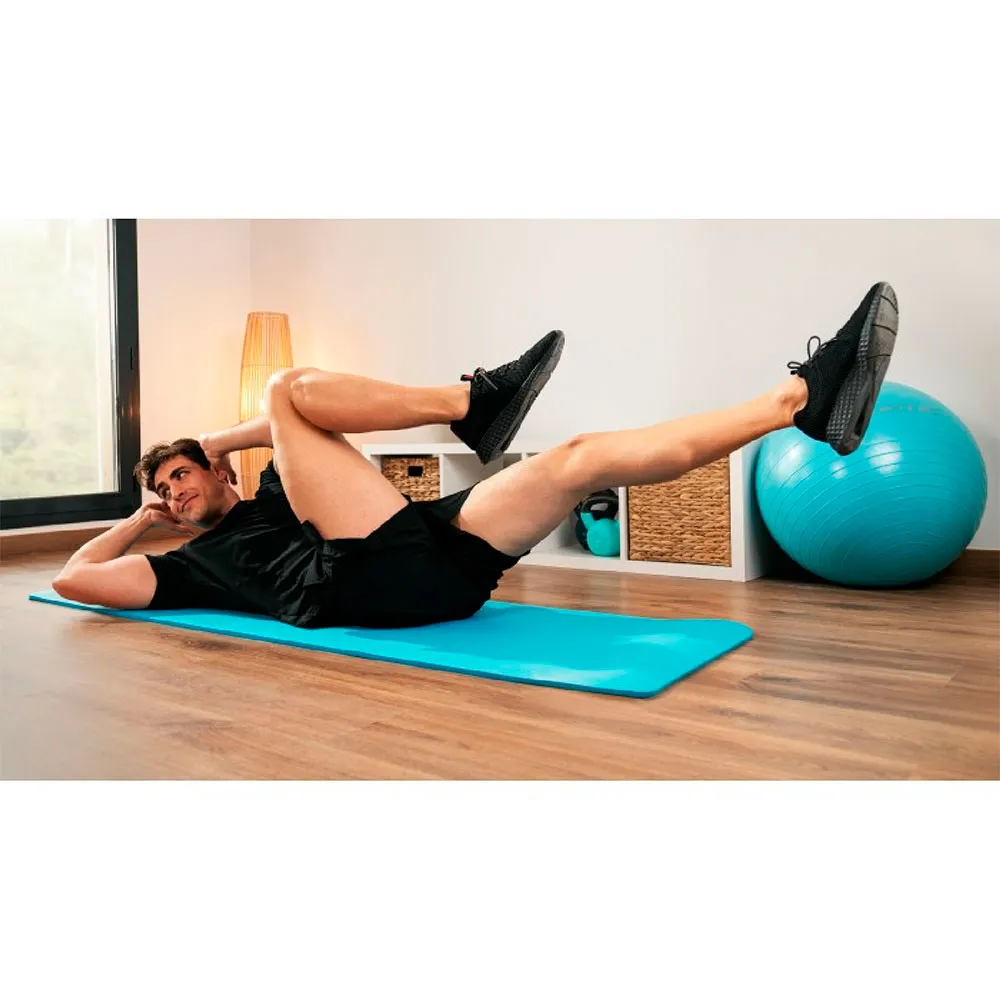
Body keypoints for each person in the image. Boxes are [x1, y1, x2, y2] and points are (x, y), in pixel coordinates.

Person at [52, 282, 898, 628]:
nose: (174, 492)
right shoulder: (189, 566)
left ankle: (798, 403)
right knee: (284, 386)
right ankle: (470, 403)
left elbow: (282, 434)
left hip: (438, 563)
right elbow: (74, 581)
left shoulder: (280, 484)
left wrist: (217, 441)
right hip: (359, 581)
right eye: (164, 489)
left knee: (578, 457)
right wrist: (141, 518)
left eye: (179, 475)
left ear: (215, 472)